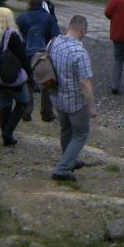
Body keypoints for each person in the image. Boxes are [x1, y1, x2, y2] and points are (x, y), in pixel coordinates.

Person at [49, 15, 97, 182]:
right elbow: (84, 82)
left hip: (57, 97)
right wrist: (92, 105)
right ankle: (61, 170)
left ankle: (69, 159)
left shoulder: (53, 42)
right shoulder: (79, 52)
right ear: (82, 30)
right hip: (75, 102)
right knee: (80, 134)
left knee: (66, 130)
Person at [0, 7, 31, 146]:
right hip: (13, 77)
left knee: (5, 103)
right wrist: (29, 73)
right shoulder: (12, 35)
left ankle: (6, 136)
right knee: (23, 102)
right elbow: (22, 56)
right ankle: (8, 131)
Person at [17, 0, 59, 121]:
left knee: (28, 83)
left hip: (26, 56)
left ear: (29, 5)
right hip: (43, 57)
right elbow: (56, 37)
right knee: (46, 83)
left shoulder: (22, 18)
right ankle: (46, 113)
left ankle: (26, 111)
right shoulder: (49, 18)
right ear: (42, 5)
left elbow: (16, 36)